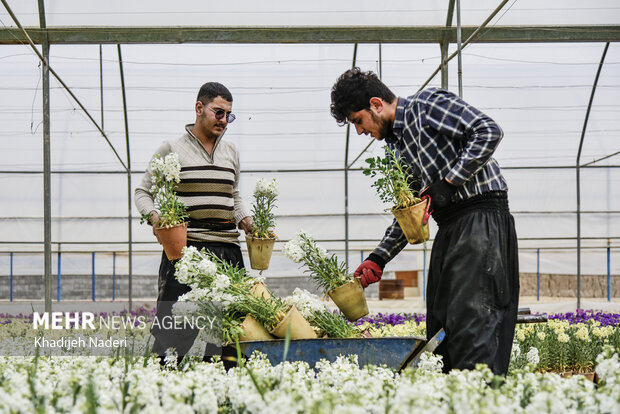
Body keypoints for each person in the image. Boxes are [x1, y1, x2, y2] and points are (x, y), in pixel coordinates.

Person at [330, 67, 519, 375]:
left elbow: (488, 130)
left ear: (376, 104)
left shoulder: (427, 106)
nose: (360, 131)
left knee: (473, 318)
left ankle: (481, 398)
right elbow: (412, 211)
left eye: (357, 121)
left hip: (481, 219)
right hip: (452, 226)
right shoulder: (398, 146)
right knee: (443, 321)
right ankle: (451, 395)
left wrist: (449, 181)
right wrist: (379, 257)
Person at [135, 82, 253, 364]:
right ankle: (161, 389)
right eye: (218, 112)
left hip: (228, 253)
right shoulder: (171, 148)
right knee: (173, 335)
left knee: (229, 336)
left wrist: (246, 219)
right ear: (199, 108)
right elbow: (143, 192)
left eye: (229, 115)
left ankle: (224, 393)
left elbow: (233, 194)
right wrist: (156, 218)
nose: (224, 121)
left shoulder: (231, 152)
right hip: (186, 254)